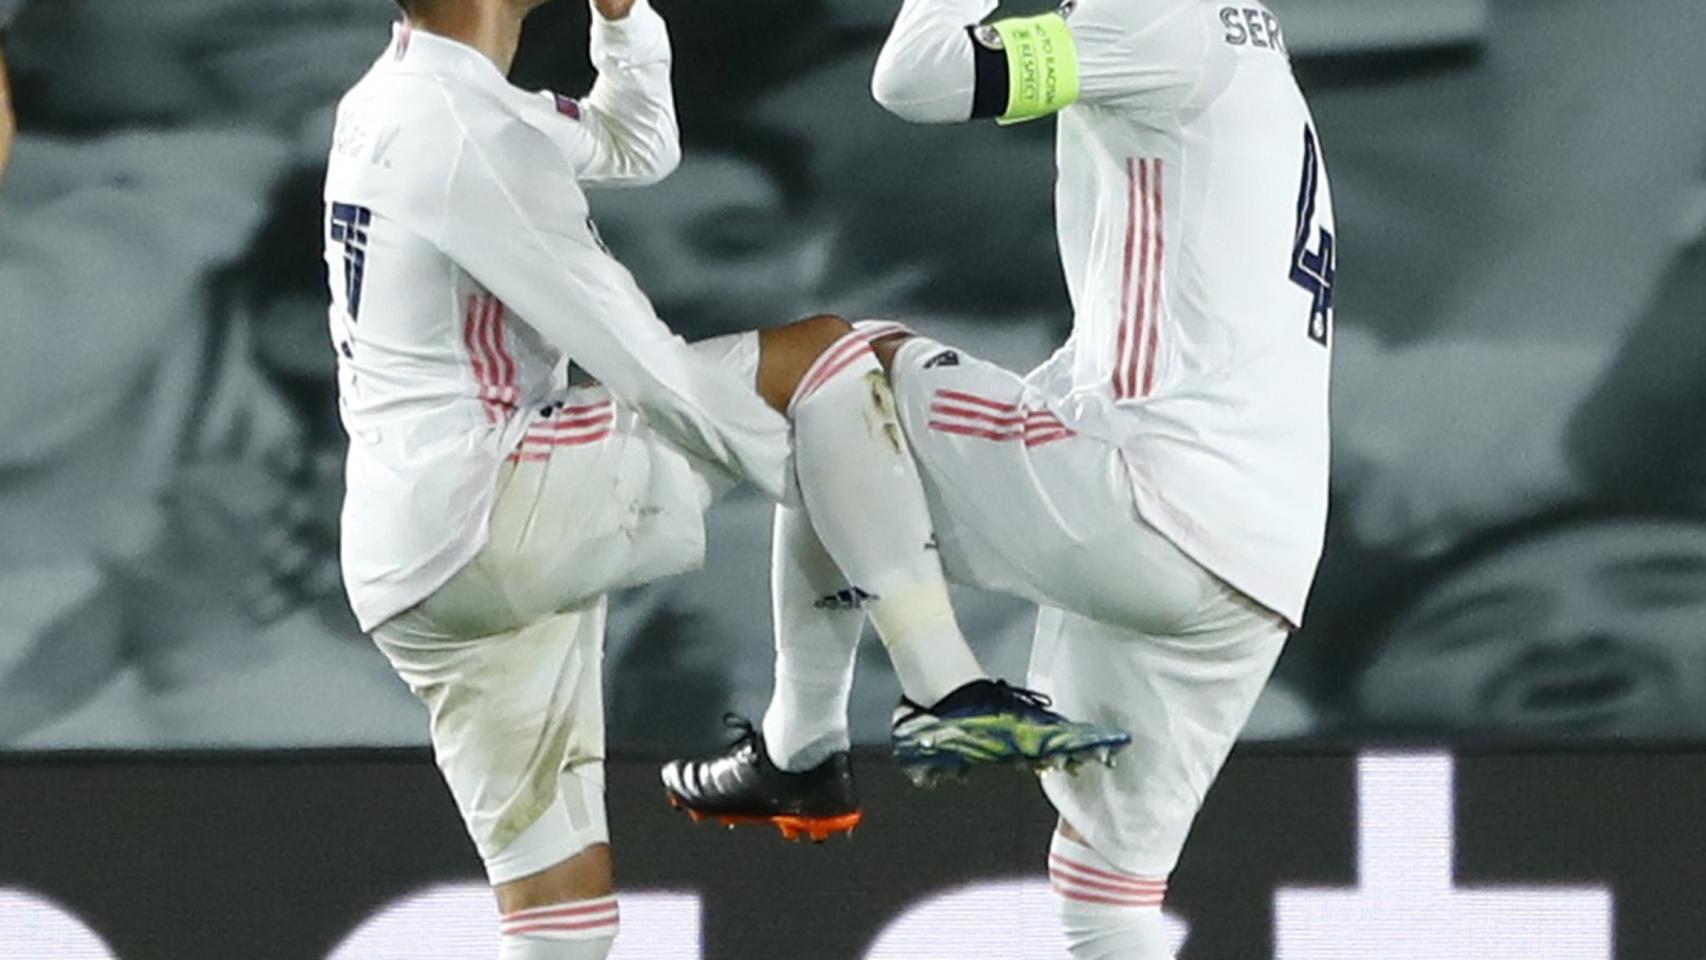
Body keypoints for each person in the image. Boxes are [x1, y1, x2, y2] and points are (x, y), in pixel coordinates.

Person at [324, 1, 1128, 957]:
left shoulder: (405, 100)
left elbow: (636, 145)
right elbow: (638, 360)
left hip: (410, 564)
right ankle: (938, 693)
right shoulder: (469, 133)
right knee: (830, 362)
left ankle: (815, 753)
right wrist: (822, 476)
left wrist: (620, 24)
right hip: (498, 504)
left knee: (560, 919)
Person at [667, 1, 1334, 957]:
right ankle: (807, 744)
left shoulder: (1154, 22)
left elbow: (912, 78)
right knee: (1107, 901)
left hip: (1147, 500)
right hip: (1254, 558)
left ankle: (811, 741)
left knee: (841, 373)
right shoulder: (1230, 35)